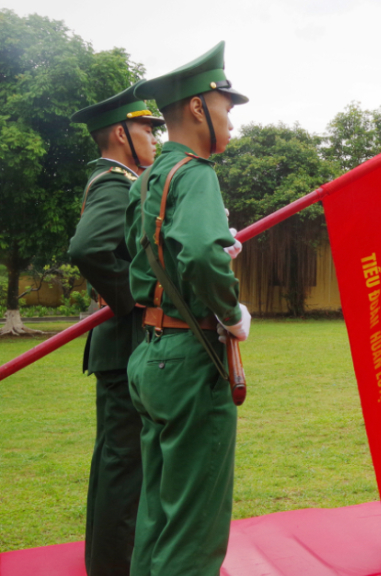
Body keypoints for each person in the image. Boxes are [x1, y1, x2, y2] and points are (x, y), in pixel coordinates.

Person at [125, 42, 251, 576]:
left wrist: (211, 251)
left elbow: (148, 257)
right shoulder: (195, 173)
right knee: (193, 525)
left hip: (150, 353)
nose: (229, 120)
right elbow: (198, 251)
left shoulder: (152, 175)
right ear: (200, 107)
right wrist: (230, 311)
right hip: (189, 356)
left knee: (157, 514)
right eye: (225, 107)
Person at [68, 82, 164, 576]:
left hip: (120, 345)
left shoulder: (128, 179)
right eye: (148, 128)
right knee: (123, 470)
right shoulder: (114, 182)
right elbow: (88, 249)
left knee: (120, 466)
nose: (154, 136)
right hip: (123, 342)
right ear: (122, 135)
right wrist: (134, 298)